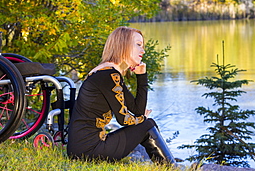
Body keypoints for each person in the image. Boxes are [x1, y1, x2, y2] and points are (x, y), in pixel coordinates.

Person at [67, 26, 176, 165]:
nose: (143, 50)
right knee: (148, 124)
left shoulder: (109, 73)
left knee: (148, 124)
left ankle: (168, 166)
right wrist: (142, 119)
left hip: (83, 148)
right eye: (138, 45)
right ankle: (171, 167)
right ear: (123, 45)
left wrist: (142, 76)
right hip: (88, 150)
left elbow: (137, 109)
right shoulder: (108, 75)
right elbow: (124, 119)